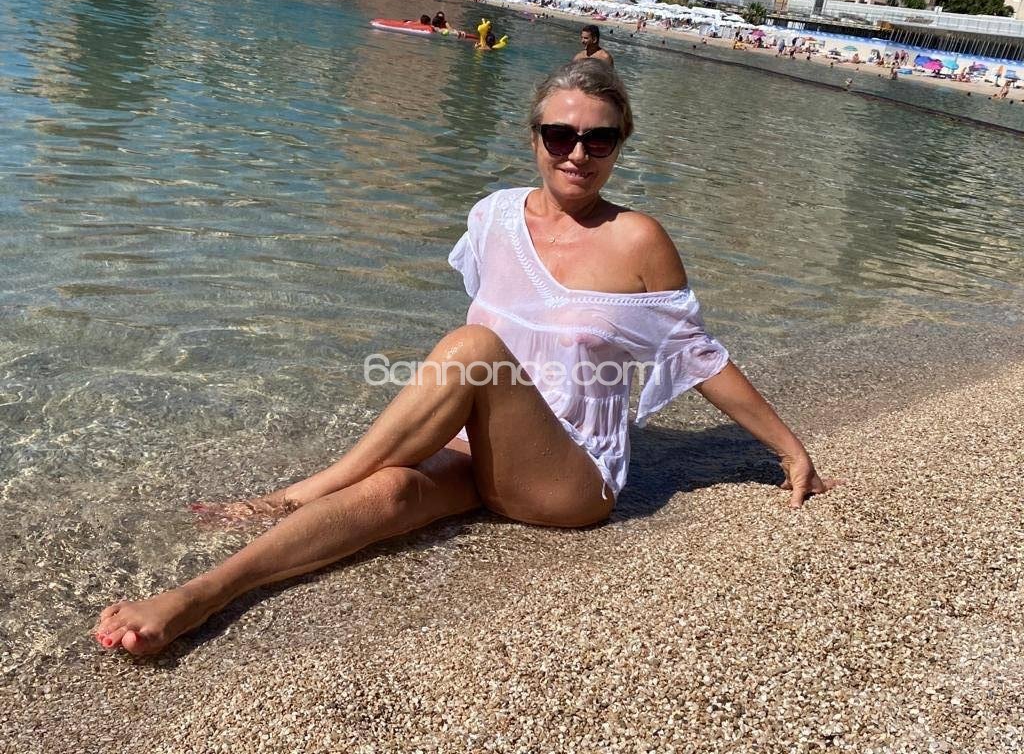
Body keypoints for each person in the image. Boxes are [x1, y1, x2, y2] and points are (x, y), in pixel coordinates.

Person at [94, 60, 835, 656]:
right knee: (390, 493)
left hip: (572, 479)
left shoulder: (637, 239)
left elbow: (700, 357)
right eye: (560, 135)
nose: (577, 153)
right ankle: (204, 593)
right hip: (481, 454)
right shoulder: (492, 217)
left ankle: (300, 491)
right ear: (534, 138)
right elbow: (508, 336)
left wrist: (788, 450)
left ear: (620, 145)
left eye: (599, 140)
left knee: (473, 349)